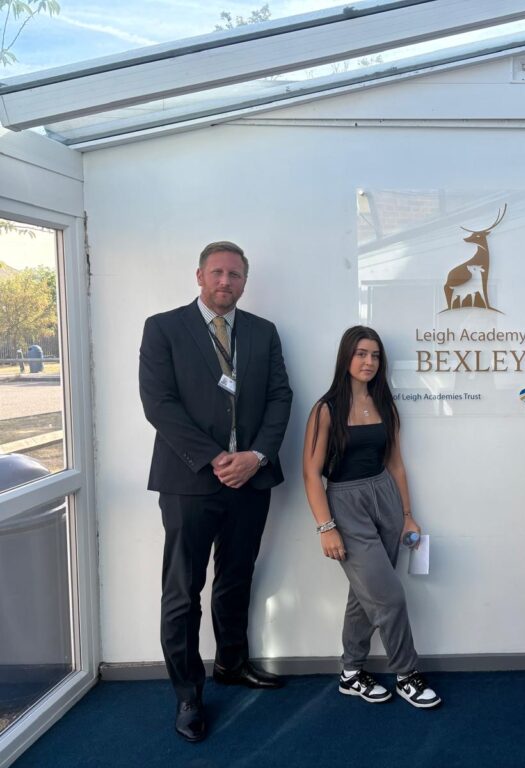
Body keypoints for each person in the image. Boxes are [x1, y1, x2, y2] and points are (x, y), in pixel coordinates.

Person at [139, 241, 292, 742]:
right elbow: (159, 404)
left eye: (236, 275)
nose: (227, 282)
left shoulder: (263, 332)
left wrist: (256, 456)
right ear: (200, 276)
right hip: (189, 481)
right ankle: (188, 693)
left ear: (245, 281)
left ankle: (231, 662)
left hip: (252, 479)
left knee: (236, 576)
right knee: (184, 591)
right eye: (218, 273)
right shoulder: (163, 327)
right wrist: (214, 458)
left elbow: (279, 395)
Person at [302, 326, 441, 709]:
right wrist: (326, 526)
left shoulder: (384, 403)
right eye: (361, 353)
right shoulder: (325, 408)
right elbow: (311, 473)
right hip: (346, 505)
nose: (368, 362)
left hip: (386, 499)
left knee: (365, 596)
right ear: (346, 358)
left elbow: (395, 463)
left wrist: (408, 515)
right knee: (389, 596)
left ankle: (351, 671)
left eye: (375, 355)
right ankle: (407, 674)